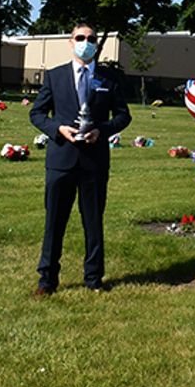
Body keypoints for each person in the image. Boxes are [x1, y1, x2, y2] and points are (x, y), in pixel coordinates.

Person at [30, 23, 131, 295]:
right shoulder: (55, 76)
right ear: (70, 41)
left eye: (91, 38)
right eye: (80, 38)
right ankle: (47, 279)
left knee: (93, 222)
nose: (85, 42)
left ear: (97, 44)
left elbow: (123, 115)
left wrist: (102, 130)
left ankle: (94, 278)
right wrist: (57, 130)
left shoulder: (108, 79)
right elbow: (37, 114)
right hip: (61, 160)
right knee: (54, 221)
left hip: (94, 162)